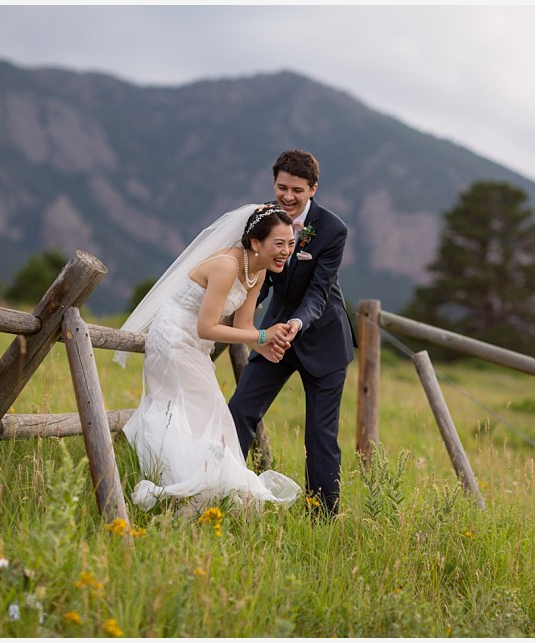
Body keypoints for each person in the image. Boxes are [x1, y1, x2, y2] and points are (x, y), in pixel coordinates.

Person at [114, 203, 302, 514]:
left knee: (210, 416)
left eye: (290, 244)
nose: (286, 251)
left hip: (195, 346)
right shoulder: (226, 265)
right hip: (173, 339)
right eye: (278, 244)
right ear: (256, 243)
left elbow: (243, 327)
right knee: (197, 414)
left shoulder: (256, 272)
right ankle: (185, 493)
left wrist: (264, 346)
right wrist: (263, 336)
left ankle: (201, 494)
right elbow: (207, 327)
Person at [229, 149, 356, 517]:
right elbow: (258, 278)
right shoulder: (263, 218)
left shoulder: (333, 229)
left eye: (296, 190)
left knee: (320, 435)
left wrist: (296, 325)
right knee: (239, 409)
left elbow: (319, 292)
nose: (287, 196)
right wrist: (248, 324)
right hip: (274, 338)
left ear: (313, 188)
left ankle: (322, 518)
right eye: (282, 187)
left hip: (324, 340)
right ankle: (221, 490)